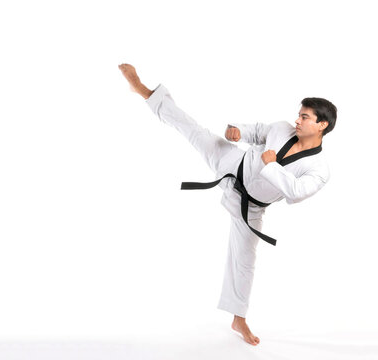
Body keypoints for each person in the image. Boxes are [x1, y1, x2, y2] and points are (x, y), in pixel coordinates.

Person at [118, 63, 337, 346]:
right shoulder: (283, 129)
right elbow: (258, 132)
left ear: (322, 125)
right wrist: (238, 132)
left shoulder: (319, 168)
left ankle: (238, 318)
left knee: (244, 261)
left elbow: (295, 193)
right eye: (298, 114)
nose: (297, 120)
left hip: (250, 206)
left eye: (304, 117)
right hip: (232, 165)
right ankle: (147, 92)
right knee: (193, 129)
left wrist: (271, 166)